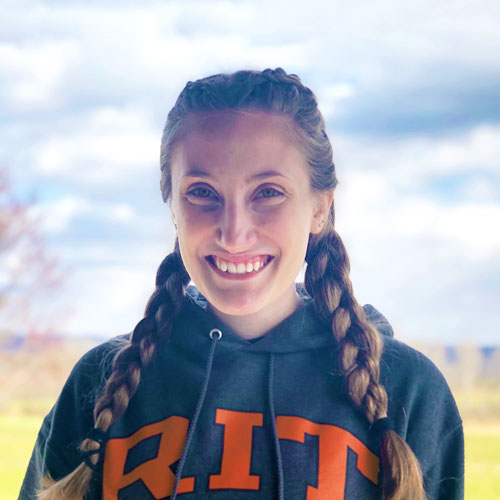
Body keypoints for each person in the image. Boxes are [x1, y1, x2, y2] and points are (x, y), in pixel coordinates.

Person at [19, 68, 464, 500]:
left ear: (319, 208)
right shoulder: (101, 386)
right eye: (202, 192)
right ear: (172, 206)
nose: (233, 234)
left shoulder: (405, 391)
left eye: (268, 192)